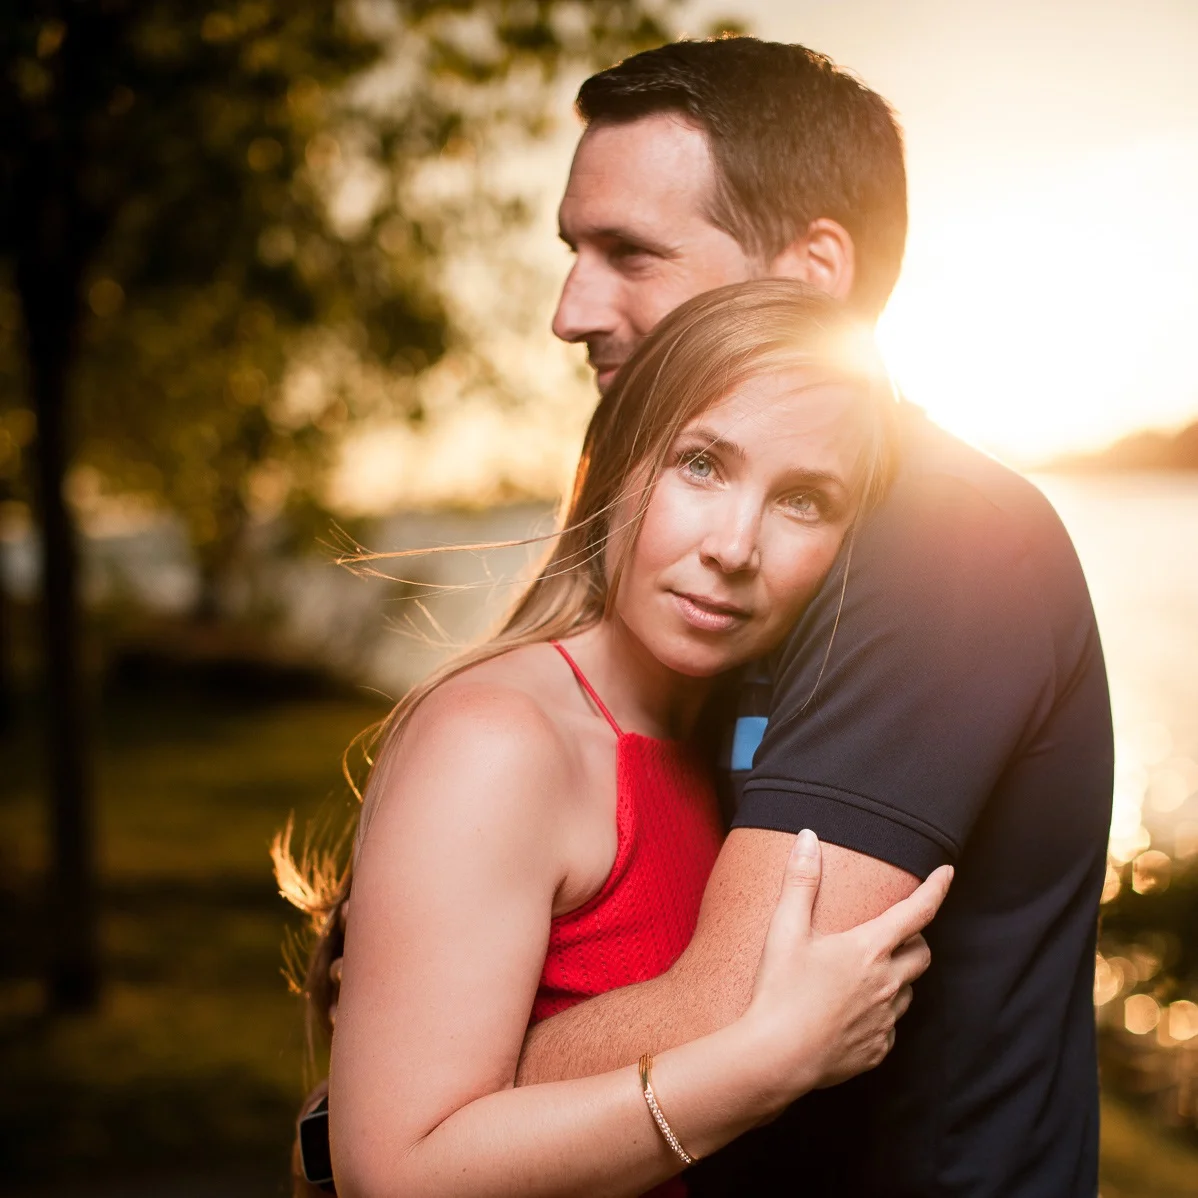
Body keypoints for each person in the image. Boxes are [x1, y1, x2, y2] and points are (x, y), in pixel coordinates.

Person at [314, 36, 1114, 1196]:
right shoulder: (685, 633)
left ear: (810, 272)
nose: (570, 309)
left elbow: (737, 1003)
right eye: (697, 466)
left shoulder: (939, 535)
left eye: (628, 252)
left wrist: (396, 1094)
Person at [278, 280, 952, 1196]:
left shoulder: (723, 746)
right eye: (703, 465)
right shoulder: (501, 740)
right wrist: (764, 1065)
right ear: (619, 465)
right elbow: (396, 1175)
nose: (735, 545)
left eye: (803, 500)